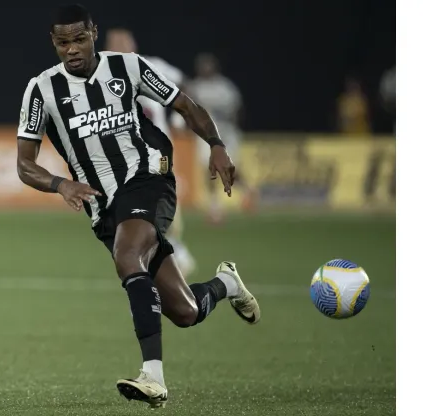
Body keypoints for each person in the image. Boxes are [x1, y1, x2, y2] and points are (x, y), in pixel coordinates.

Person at [15, 4, 261, 408]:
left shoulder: (127, 67)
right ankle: (228, 284)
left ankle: (153, 377)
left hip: (148, 178)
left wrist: (216, 144)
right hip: (104, 206)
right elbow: (25, 164)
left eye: (79, 39)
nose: (72, 49)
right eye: (63, 42)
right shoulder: (41, 90)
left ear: (94, 32)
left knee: (128, 256)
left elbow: (184, 103)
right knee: (185, 312)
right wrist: (61, 184)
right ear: (53, 43)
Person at [103, 27, 197, 277]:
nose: (119, 45)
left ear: (133, 42)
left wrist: (179, 120)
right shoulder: (102, 74)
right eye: (114, 42)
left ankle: (174, 250)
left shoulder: (151, 65)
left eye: (123, 40)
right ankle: (160, 252)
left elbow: (183, 82)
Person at [176, 53, 255, 223]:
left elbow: (238, 110)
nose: (206, 70)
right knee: (208, 168)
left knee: (229, 167)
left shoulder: (225, 87)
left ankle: (248, 191)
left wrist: (233, 125)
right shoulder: (195, 87)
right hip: (207, 134)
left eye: (208, 66)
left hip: (226, 132)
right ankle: (215, 208)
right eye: (203, 67)